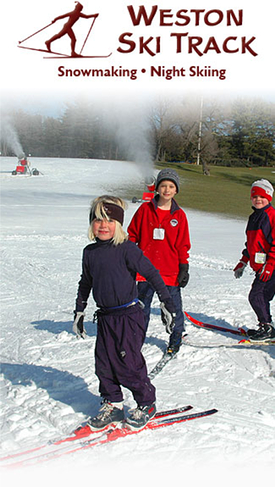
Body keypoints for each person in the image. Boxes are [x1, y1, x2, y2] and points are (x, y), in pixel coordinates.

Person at [73, 195, 176, 430]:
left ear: (118, 225)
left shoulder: (127, 249)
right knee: (104, 363)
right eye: (98, 220)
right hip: (106, 317)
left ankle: (146, 403)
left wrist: (166, 303)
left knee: (128, 363)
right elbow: (85, 282)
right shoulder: (90, 252)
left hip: (128, 316)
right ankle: (114, 404)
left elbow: (152, 274)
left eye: (109, 220)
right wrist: (79, 311)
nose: (103, 225)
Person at [128, 168, 191, 355]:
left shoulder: (179, 216)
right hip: (144, 271)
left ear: (176, 190)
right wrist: (130, 259)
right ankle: (136, 339)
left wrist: (184, 267)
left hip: (169, 272)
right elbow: (132, 235)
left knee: (173, 309)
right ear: (157, 188)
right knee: (141, 310)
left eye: (171, 186)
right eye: (163, 186)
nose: (167, 190)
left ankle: (176, 337)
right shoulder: (144, 210)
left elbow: (183, 245)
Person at [234, 179, 275, 342]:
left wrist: (270, 265)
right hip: (261, 266)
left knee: (256, 295)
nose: (258, 199)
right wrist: (243, 261)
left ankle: (267, 326)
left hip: (271, 266)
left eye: (262, 196)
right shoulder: (254, 217)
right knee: (262, 296)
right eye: (255, 196)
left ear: (269, 197)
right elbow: (251, 244)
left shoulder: (271, 216)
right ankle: (267, 326)